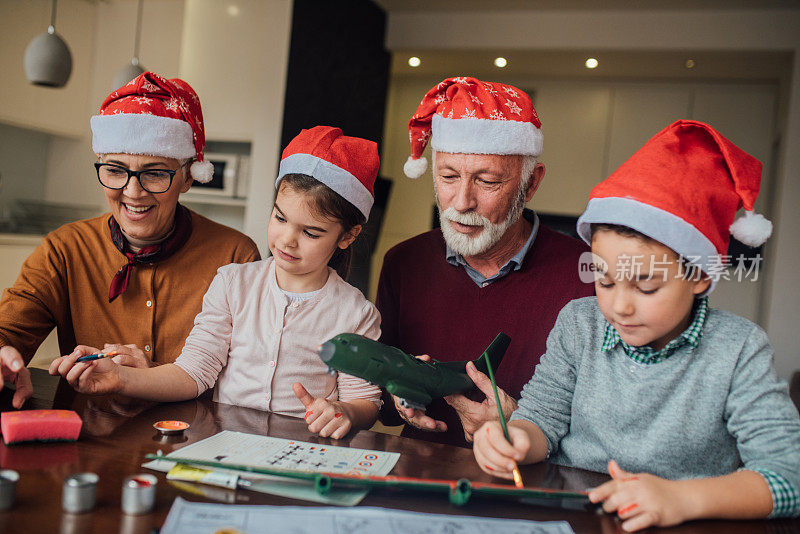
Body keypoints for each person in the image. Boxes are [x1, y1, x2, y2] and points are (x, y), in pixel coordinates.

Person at [473, 120, 800, 530]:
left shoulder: (738, 349)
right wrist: (517, 437)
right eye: (605, 280)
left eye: (646, 286)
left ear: (700, 275)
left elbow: (789, 477)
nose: (619, 306)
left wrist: (681, 499)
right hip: (575, 515)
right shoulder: (579, 325)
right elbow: (543, 419)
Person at [50, 126, 383, 439]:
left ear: (348, 235)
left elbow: (365, 401)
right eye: (280, 218)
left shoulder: (356, 313)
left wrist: (345, 412)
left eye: (311, 232)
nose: (287, 240)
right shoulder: (233, 282)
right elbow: (193, 373)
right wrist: (121, 378)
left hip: (300, 450)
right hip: (225, 442)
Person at [0, 72, 259, 408]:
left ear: (187, 178)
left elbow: (251, 382)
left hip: (193, 443)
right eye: (115, 170)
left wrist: (153, 375)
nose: (132, 192)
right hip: (90, 443)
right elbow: (10, 330)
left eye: (154, 172)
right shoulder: (64, 250)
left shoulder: (235, 256)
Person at [377, 76, 593, 446]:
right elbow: (377, 401)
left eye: (487, 182)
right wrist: (398, 397)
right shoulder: (403, 263)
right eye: (447, 176)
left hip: (524, 488)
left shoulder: (587, 276)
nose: (461, 202)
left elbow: (607, 426)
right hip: (418, 481)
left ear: (530, 184)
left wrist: (526, 422)